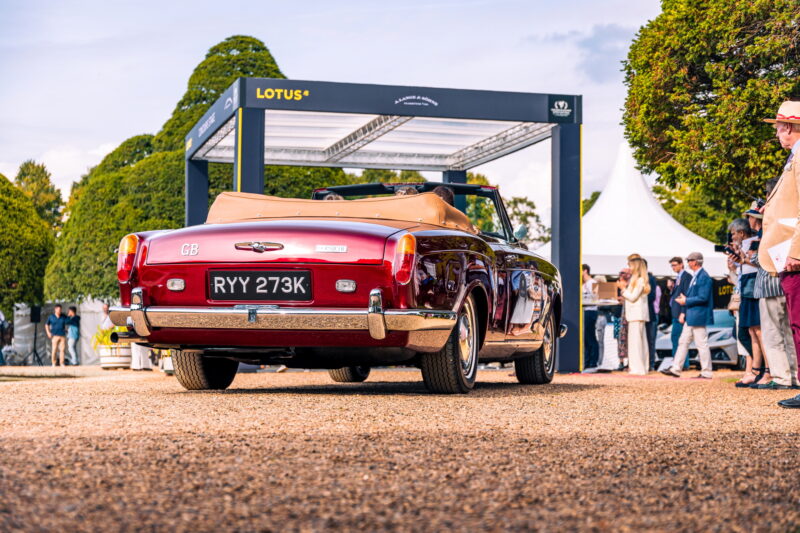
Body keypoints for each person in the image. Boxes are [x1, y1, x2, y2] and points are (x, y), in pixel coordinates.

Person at [759, 100, 800, 407]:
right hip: (789, 252)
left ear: (787, 128)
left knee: (798, 323)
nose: (776, 133)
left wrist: (797, 251)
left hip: (795, 255)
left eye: (777, 127)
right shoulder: (794, 159)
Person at [747, 205, 798, 389]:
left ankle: (781, 377)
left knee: (772, 334)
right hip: (784, 284)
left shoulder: (767, 232)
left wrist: (750, 256)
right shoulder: (787, 227)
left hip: (769, 286)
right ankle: (794, 375)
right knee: (789, 333)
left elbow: (758, 258)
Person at [728, 218, 768, 387]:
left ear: (741, 233)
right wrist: (734, 266)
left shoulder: (754, 242)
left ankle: (766, 371)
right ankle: (756, 371)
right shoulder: (744, 245)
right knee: (751, 331)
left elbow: (757, 263)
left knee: (757, 331)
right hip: (746, 284)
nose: (732, 237)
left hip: (753, 285)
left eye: (733, 234)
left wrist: (742, 259)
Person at [661, 252, 714, 379]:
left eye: (690, 260)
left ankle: (706, 371)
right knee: (683, 341)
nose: (688, 263)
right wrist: (686, 299)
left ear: (695, 262)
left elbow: (703, 297)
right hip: (692, 314)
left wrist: (686, 301)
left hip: (698, 314)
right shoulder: (696, 276)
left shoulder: (703, 277)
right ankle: (676, 368)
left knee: (701, 343)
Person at [618, 257, 650, 375]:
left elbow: (632, 297)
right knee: (640, 343)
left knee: (636, 343)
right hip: (637, 315)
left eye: (630, 265)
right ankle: (642, 367)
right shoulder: (638, 280)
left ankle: (638, 369)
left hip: (636, 315)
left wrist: (623, 289)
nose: (629, 268)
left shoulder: (640, 280)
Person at [669, 257, 692, 369]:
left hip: (680, 313)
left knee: (678, 338)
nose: (673, 267)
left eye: (675, 265)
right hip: (676, 313)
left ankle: (679, 364)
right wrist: (671, 289)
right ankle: (680, 363)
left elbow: (687, 295)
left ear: (681, 264)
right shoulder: (679, 277)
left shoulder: (686, 277)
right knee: (678, 338)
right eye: (672, 265)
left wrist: (683, 312)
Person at [582, 264, 599, 369]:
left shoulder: (593, 282)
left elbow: (595, 297)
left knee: (591, 337)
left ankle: (593, 361)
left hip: (591, 311)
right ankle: (587, 361)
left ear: (585, 271)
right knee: (586, 338)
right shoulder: (583, 284)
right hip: (585, 311)